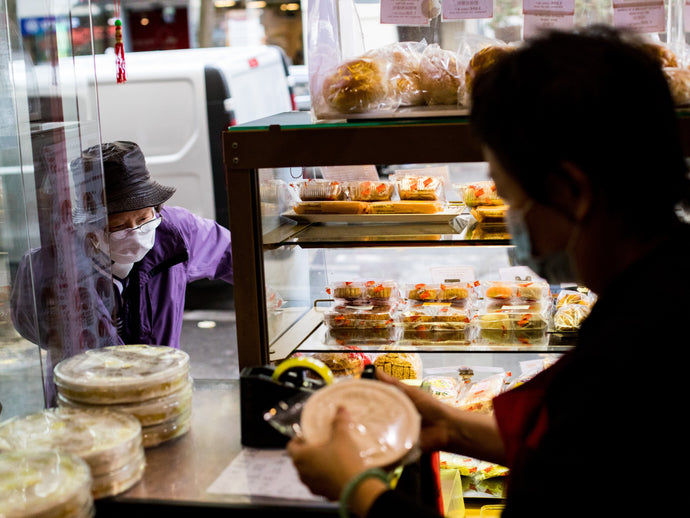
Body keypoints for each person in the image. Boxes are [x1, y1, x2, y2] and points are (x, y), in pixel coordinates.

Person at [287, 26, 690, 517]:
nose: (508, 213)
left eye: (507, 191)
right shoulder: (659, 295)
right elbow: (584, 455)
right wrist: (452, 426)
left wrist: (357, 489)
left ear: (571, 192)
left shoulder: (634, 356)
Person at [11, 140, 233, 349]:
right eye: (118, 226)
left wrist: (267, 293)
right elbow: (34, 327)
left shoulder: (177, 233)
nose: (135, 233)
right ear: (90, 229)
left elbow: (235, 255)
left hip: (160, 381)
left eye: (144, 219)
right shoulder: (49, 265)